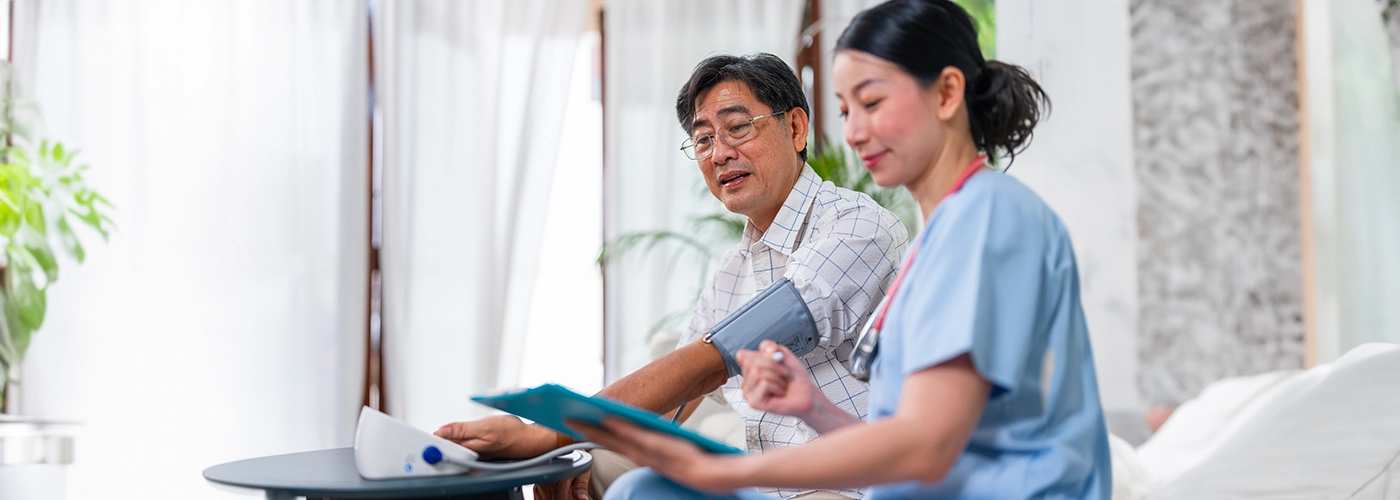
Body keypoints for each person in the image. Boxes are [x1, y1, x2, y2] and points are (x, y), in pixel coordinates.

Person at [571, 1, 1113, 498]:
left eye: (872, 103)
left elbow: (925, 449)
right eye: (847, 110)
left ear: (947, 94)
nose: (852, 133)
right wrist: (814, 408)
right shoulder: (943, 231)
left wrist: (732, 471)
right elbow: (904, 440)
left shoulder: (987, 218)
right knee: (637, 488)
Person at [435, 53, 909, 500]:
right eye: (703, 140)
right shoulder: (732, 269)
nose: (720, 153)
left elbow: (709, 361)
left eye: (738, 128)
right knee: (593, 471)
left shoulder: (856, 226)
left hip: (849, 483)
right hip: (762, 480)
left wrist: (545, 433)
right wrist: (567, 452)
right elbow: (673, 401)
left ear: (796, 127)